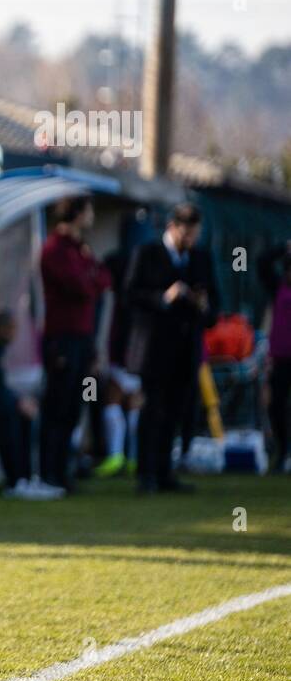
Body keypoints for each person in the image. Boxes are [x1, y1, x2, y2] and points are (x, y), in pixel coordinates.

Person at [123, 203, 218, 494]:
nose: (191, 240)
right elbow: (129, 295)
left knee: (176, 411)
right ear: (173, 227)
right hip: (153, 349)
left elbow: (214, 307)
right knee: (152, 410)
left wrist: (203, 307)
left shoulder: (201, 259)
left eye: (195, 235)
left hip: (185, 350)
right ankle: (146, 474)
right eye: (187, 233)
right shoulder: (147, 254)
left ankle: (165, 473)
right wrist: (164, 297)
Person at [38, 196, 111, 492]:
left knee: (72, 408)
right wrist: (91, 278)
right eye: (89, 210)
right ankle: (47, 473)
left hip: (82, 338)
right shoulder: (55, 249)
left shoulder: (81, 249)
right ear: (78, 214)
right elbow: (81, 286)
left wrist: (91, 276)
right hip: (62, 340)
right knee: (57, 405)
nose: (92, 216)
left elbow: (103, 279)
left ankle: (63, 471)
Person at [94, 209, 149, 479]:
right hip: (129, 341)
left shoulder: (123, 264)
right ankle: (125, 457)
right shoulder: (122, 265)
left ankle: (123, 456)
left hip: (133, 341)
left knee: (120, 397)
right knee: (122, 397)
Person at [0, 310, 54, 500]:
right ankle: (16, 480)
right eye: (10, 329)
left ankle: (26, 478)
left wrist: (19, 401)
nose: (13, 335)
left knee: (23, 415)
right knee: (11, 416)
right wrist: (17, 402)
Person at [257, 240, 291, 472]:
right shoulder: (279, 288)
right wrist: (284, 247)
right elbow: (262, 262)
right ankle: (283, 451)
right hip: (280, 358)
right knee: (276, 406)